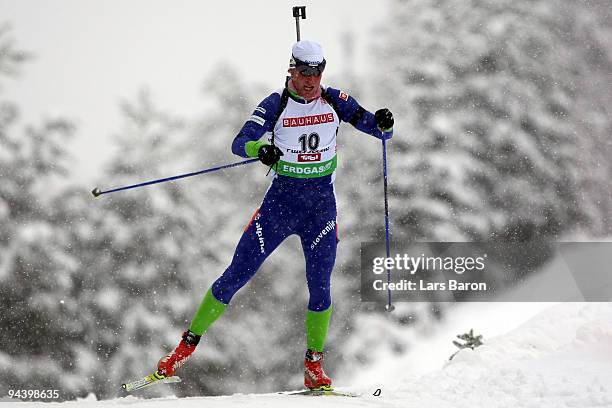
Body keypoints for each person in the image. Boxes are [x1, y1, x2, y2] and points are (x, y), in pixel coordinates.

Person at [157, 40, 394, 390]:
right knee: (236, 275)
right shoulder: (276, 104)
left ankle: (314, 367)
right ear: (292, 70)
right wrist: (260, 148)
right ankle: (182, 350)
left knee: (320, 286)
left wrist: (384, 122)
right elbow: (240, 142)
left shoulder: (335, 100)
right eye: (304, 73)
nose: (311, 81)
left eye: (317, 73)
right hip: (280, 207)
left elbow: (375, 128)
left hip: (321, 208)